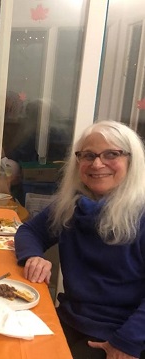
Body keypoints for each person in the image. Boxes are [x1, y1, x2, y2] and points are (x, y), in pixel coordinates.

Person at [15, 120, 145, 359]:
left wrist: (127, 342)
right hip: (69, 319)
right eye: (88, 155)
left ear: (131, 160)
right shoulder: (72, 204)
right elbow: (29, 232)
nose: (97, 163)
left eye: (111, 154)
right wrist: (33, 256)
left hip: (117, 334)